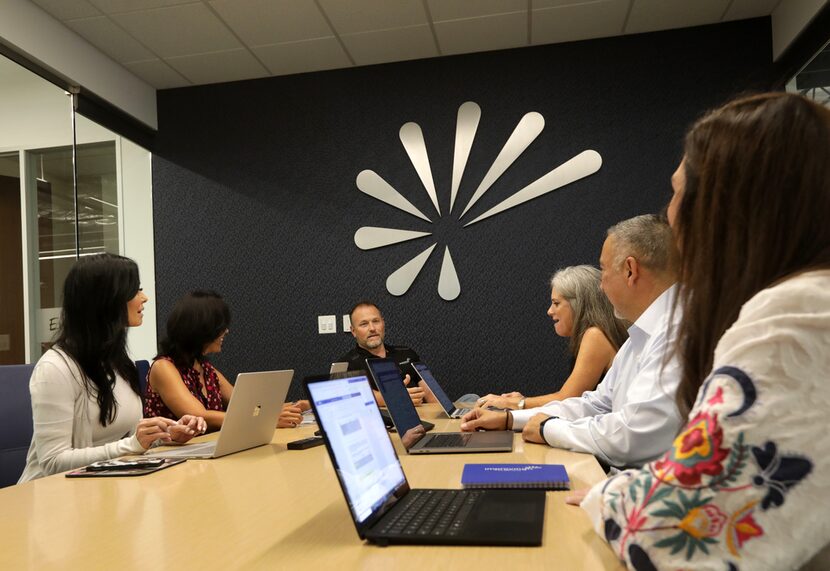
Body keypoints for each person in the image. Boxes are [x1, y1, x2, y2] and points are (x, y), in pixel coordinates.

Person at [574, 93, 830, 570]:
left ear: (729, 206)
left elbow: (671, 533)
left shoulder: (798, 316)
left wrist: (609, 496)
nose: (670, 215)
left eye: (677, 193)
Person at [461, 214, 683, 469]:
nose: (600, 286)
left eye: (604, 271)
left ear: (630, 270)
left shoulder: (675, 334)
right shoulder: (640, 338)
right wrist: (511, 419)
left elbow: (631, 439)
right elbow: (595, 405)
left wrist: (548, 428)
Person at [19, 254, 205, 483]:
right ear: (107, 300)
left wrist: (165, 436)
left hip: (103, 489)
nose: (144, 298)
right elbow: (52, 463)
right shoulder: (54, 368)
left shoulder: (115, 362)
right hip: (52, 500)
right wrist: (132, 445)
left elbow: (123, 440)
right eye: (135, 291)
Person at [144, 290, 306, 431]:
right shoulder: (164, 367)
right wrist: (267, 419)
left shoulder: (205, 369)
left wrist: (296, 406)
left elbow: (246, 406)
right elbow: (198, 416)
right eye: (220, 327)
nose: (226, 331)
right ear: (202, 329)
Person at [476, 265, 628, 410]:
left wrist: (515, 403)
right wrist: (520, 402)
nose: (550, 311)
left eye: (556, 303)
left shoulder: (595, 335)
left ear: (579, 304)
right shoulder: (597, 334)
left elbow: (567, 400)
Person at [337, 301, 427, 407]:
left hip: (423, 417)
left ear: (383, 323)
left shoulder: (407, 353)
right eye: (364, 324)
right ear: (353, 331)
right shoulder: (346, 364)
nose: (372, 328)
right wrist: (396, 397)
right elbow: (355, 397)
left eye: (376, 321)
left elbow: (431, 394)